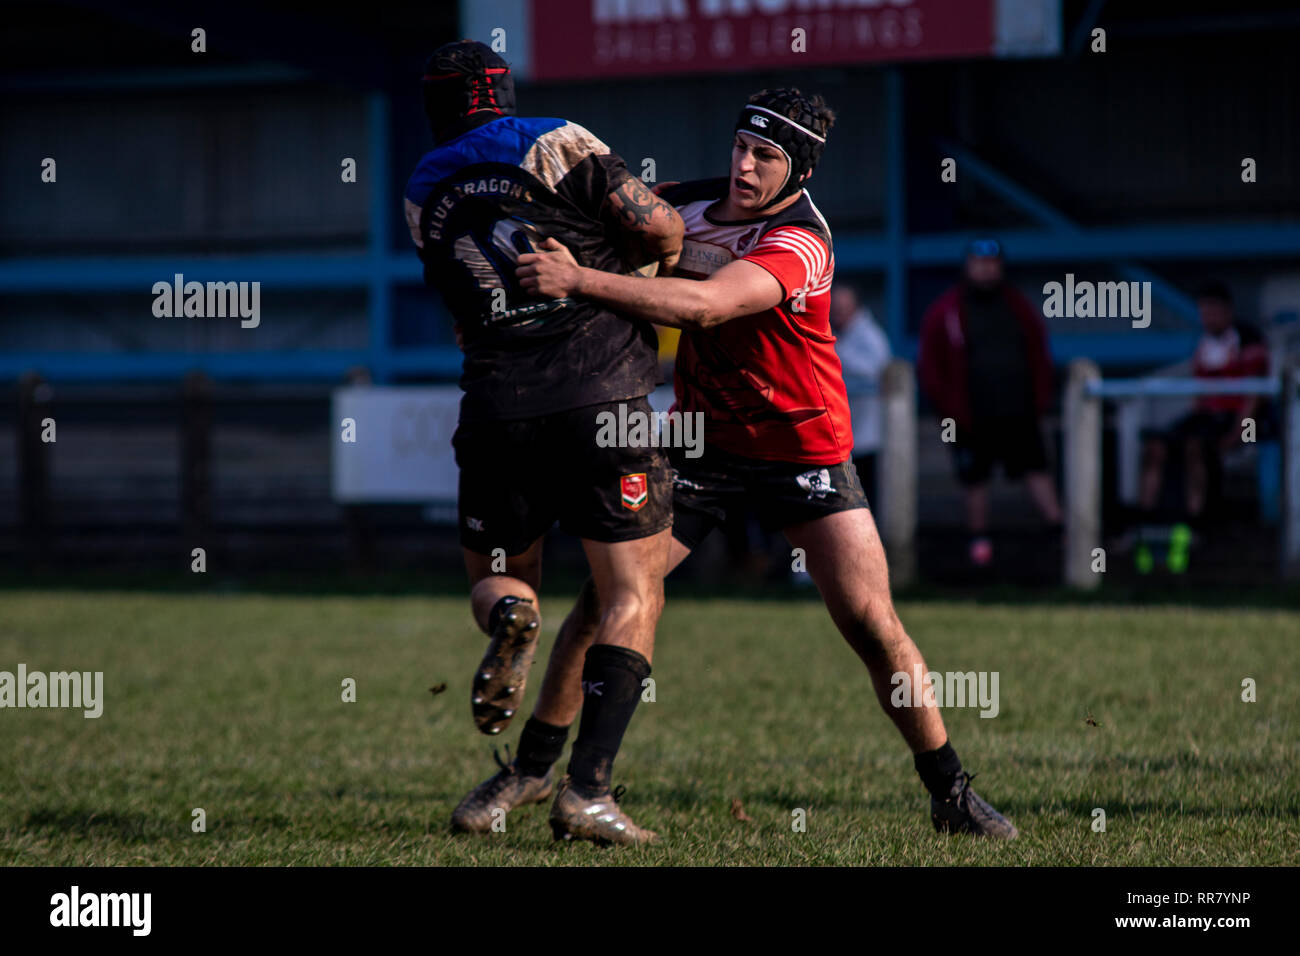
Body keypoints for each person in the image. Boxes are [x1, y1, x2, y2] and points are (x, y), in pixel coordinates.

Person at [480, 87, 1017, 842]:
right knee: (605, 600)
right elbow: (607, 212)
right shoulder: (684, 204)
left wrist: (578, 280)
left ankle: (950, 792)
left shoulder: (801, 242)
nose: (743, 165)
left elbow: (705, 309)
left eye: (765, 155)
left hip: (803, 447)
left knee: (872, 626)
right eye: (740, 146)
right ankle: (539, 772)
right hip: (699, 439)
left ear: (798, 169)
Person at [403, 40, 685, 845]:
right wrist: (652, 269)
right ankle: (586, 791)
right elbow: (659, 224)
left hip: (496, 409)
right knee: (630, 594)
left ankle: (512, 624)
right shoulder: (557, 139)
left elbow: (459, 309)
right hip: (604, 398)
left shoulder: (421, 188)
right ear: (504, 91)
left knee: (501, 580)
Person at [917, 238, 1062, 568]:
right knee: (974, 479)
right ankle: (978, 551)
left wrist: (1039, 402)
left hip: (1019, 414)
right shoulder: (947, 310)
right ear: (967, 266)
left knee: (1036, 470)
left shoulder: (1018, 307)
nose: (986, 270)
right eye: (979, 263)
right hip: (970, 418)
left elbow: (1040, 354)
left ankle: (1062, 538)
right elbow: (930, 366)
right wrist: (949, 412)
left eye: (992, 263)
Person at [1139, 280, 1271, 523]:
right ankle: (1146, 519)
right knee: (1155, 445)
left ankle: (1196, 519)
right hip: (1207, 416)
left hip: (1236, 418)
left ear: (1227, 310)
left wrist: (1240, 433)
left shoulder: (1248, 340)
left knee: (1195, 446)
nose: (1208, 318)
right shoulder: (1203, 344)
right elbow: (1200, 393)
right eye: (1204, 313)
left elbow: (1255, 394)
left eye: (1213, 312)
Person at [830, 284, 892, 504]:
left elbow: (877, 370)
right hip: (841, 433)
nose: (839, 312)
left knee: (865, 494)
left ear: (856, 307)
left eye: (844, 307)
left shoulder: (872, 336)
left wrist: (838, 351)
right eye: (835, 307)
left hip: (867, 433)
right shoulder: (835, 332)